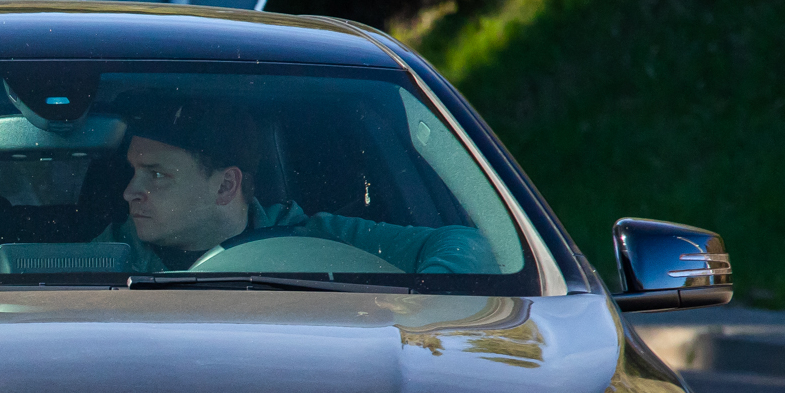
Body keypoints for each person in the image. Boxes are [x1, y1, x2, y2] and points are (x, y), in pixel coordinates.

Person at [93, 98, 495, 274]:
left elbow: (465, 242)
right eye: (134, 172)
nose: (130, 192)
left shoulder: (318, 239)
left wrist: (424, 304)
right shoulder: (104, 258)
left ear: (225, 187)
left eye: (157, 174)